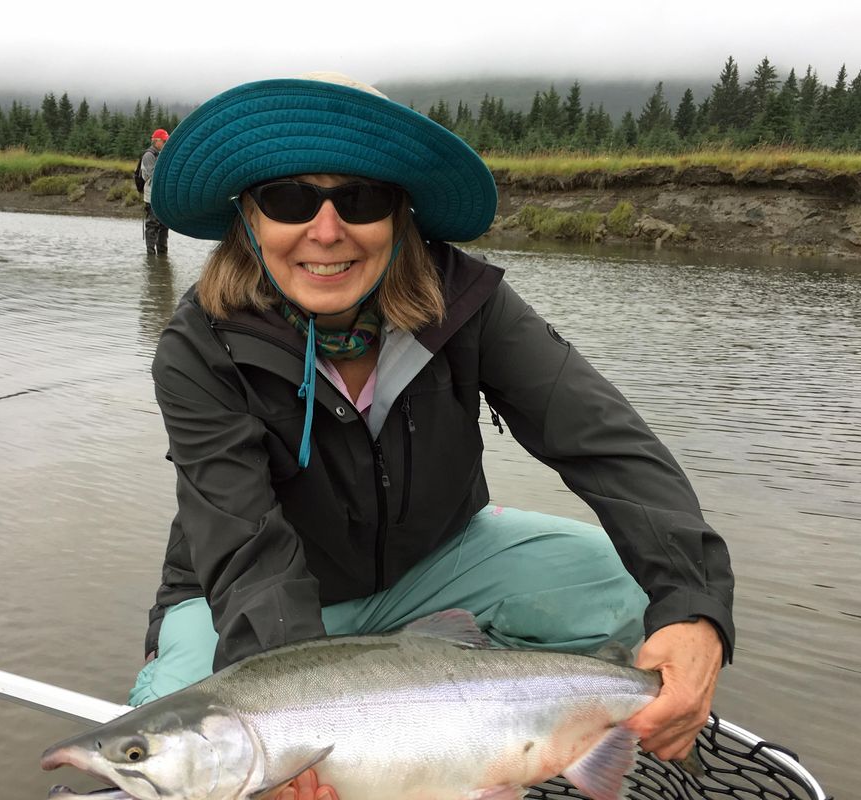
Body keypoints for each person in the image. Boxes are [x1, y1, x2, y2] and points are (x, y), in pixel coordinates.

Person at [133, 72, 734, 796]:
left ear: (402, 213)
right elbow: (244, 546)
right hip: (244, 600)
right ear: (248, 217)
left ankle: (483, 732)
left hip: (436, 564)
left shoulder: (468, 304)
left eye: (360, 198)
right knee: (186, 756)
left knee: (627, 585)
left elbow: (605, 443)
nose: (327, 231)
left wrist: (696, 611)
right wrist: (292, 724)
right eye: (290, 198)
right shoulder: (198, 346)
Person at [140, 128, 170, 254]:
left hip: (162, 197)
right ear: (156, 141)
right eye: (164, 141)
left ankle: (162, 253)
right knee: (152, 224)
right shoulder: (149, 155)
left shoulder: (163, 154)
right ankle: (150, 255)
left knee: (164, 225)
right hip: (151, 197)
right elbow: (154, 175)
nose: (165, 143)